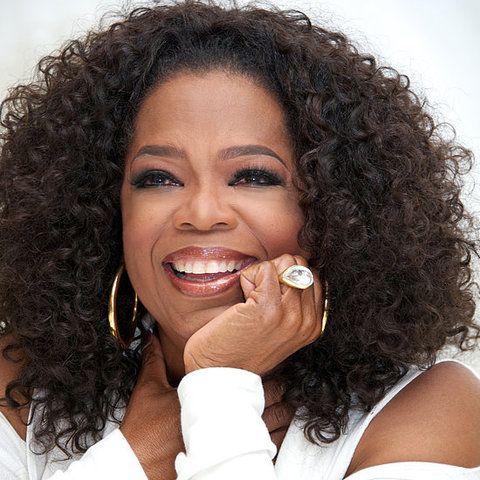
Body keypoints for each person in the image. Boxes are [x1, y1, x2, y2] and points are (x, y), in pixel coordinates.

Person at [0, 1, 479, 479]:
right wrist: (141, 453)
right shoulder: (19, 389)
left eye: (253, 176)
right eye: (159, 178)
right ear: (108, 209)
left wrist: (218, 388)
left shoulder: (429, 410)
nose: (201, 214)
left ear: (338, 209)